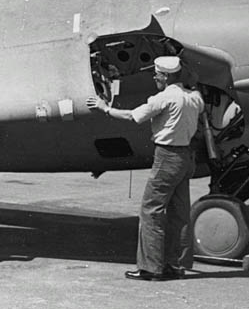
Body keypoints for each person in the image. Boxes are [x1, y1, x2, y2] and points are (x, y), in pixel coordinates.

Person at [86, 56, 205, 281]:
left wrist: (104, 108)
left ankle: (151, 268)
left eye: (158, 74)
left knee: (151, 211)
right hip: (186, 157)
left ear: (167, 76)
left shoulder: (164, 98)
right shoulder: (194, 98)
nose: (155, 77)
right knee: (179, 213)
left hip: (167, 156)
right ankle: (176, 265)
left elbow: (133, 116)